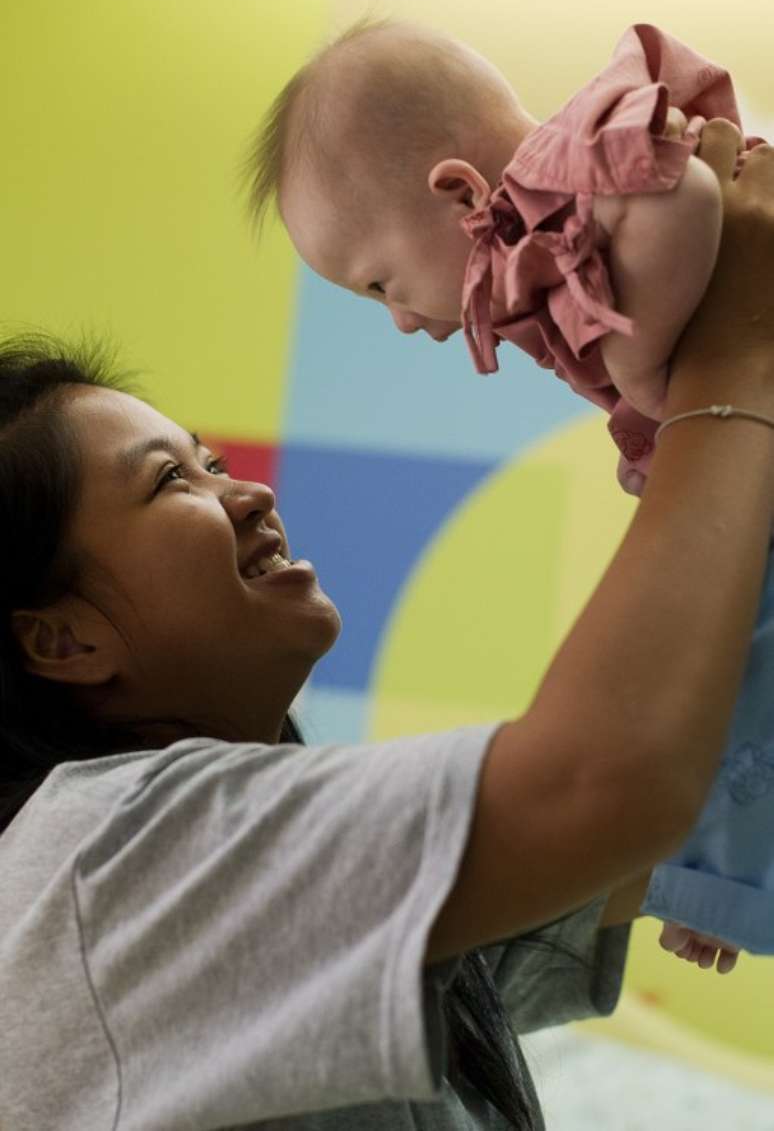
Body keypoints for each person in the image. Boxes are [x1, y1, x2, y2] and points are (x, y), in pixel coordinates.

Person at [1, 123, 773, 1131]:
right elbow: (609, 780)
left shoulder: (269, 862)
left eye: (210, 460)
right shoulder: (95, 871)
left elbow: (658, 805)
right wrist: (732, 360)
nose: (245, 492)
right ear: (60, 640)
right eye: (166, 482)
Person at [245, 20, 773, 971]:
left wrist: (652, 374)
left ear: (457, 194)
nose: (404, 320)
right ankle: (722, 873)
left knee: (723, 651)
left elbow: (688, 195)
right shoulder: (539, 241)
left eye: (381, 284)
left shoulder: (565, 174)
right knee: (720, 658)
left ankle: (721, 869)